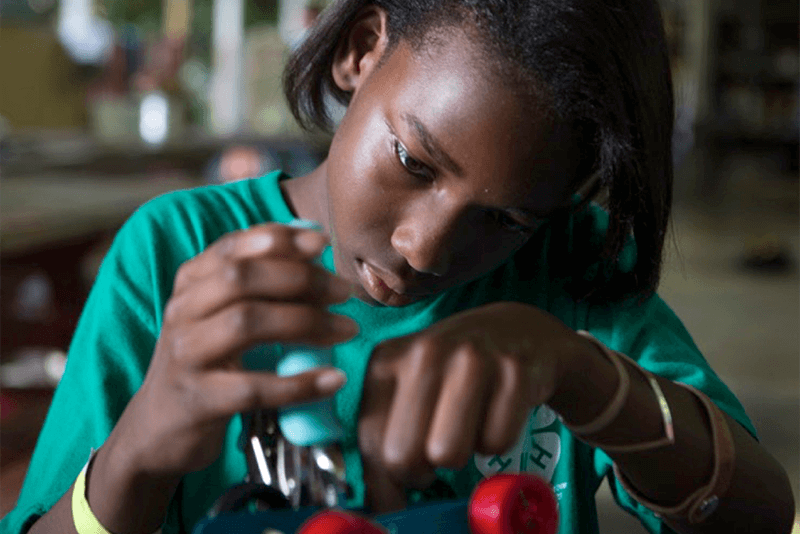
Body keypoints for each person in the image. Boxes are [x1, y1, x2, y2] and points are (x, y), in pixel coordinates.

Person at [3, 1, 795, 533]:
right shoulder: (178, 253)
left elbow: (761, 514)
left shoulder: (573, 271)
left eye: (507, 220)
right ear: (360, 50)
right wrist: (142, 445)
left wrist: (585, 377)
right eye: (415, 161)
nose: (425, 249)